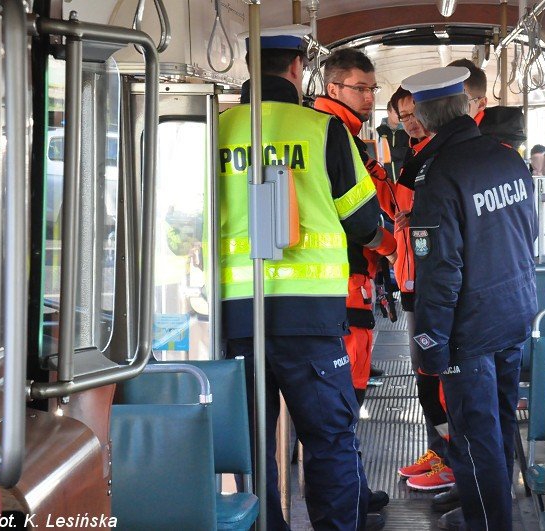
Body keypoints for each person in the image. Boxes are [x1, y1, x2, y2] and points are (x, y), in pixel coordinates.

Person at [218, 25, 391, 531]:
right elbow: (363, 222)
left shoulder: (217, 128)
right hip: (311, 317)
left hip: (233, 317)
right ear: (297, 70)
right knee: (330, 439)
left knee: (251, 447)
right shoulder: (323, 131)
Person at [399, 66, 538, 531]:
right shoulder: (507, 158)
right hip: (514, 313)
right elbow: (528, 233)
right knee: (498, 427)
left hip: (470, 329)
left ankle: (488, 523)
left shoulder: (439, 176)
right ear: (464, 107)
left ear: (425, 115)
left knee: (476, 440)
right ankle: (502, 515)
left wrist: (430, 341)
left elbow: (441, 270)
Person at [313, 48, 397, 410]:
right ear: (333, 90)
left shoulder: (345, 137)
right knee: (347, 391)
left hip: (336, 279)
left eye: (373, 89)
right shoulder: (335, 137)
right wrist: (392, 248)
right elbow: (362, 220)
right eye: (360, 88)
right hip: (344, 278)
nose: (368, 97)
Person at [386, 87, 455, 493]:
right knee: (424, 374)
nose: (411, 120)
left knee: (439, 375)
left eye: (415, 112)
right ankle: (438, 450)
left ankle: (449, 459)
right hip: (410, 277)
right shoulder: (410, 156)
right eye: (403, 114)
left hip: (433, 279)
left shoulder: (441, 158)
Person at [376, 100, 411, 181]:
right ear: (388, 112)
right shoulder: (378, 132)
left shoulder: (409, 132)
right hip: (384, 180)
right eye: (396, 112)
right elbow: (377, 155)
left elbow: (410, 153)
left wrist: (389, 153)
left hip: (404, 180)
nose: (399, 115)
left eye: (401, 112)